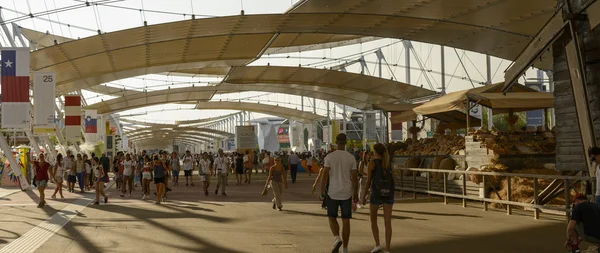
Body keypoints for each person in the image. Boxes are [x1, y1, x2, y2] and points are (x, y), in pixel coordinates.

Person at [320, 133, 358, 253]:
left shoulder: (329, 157)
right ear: (346, 143)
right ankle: (345, 249)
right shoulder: (351, 158)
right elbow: (355, 178)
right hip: (347, 193)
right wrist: (355, 193)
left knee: (332, 217)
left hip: (333, 193)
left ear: (336, 142)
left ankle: (337, 238)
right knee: (346, 220)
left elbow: (324, 176)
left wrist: (321, 191)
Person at [364, 144, 394, 253]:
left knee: (373, 220)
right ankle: (388, 249)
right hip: (389, 194)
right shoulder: (389, 163)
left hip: (376, 194)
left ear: (375, 152)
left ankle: (377, 244)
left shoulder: (372, 164)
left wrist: (363, 196)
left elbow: (368, 182)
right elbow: (393, 179)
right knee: (387, 222)